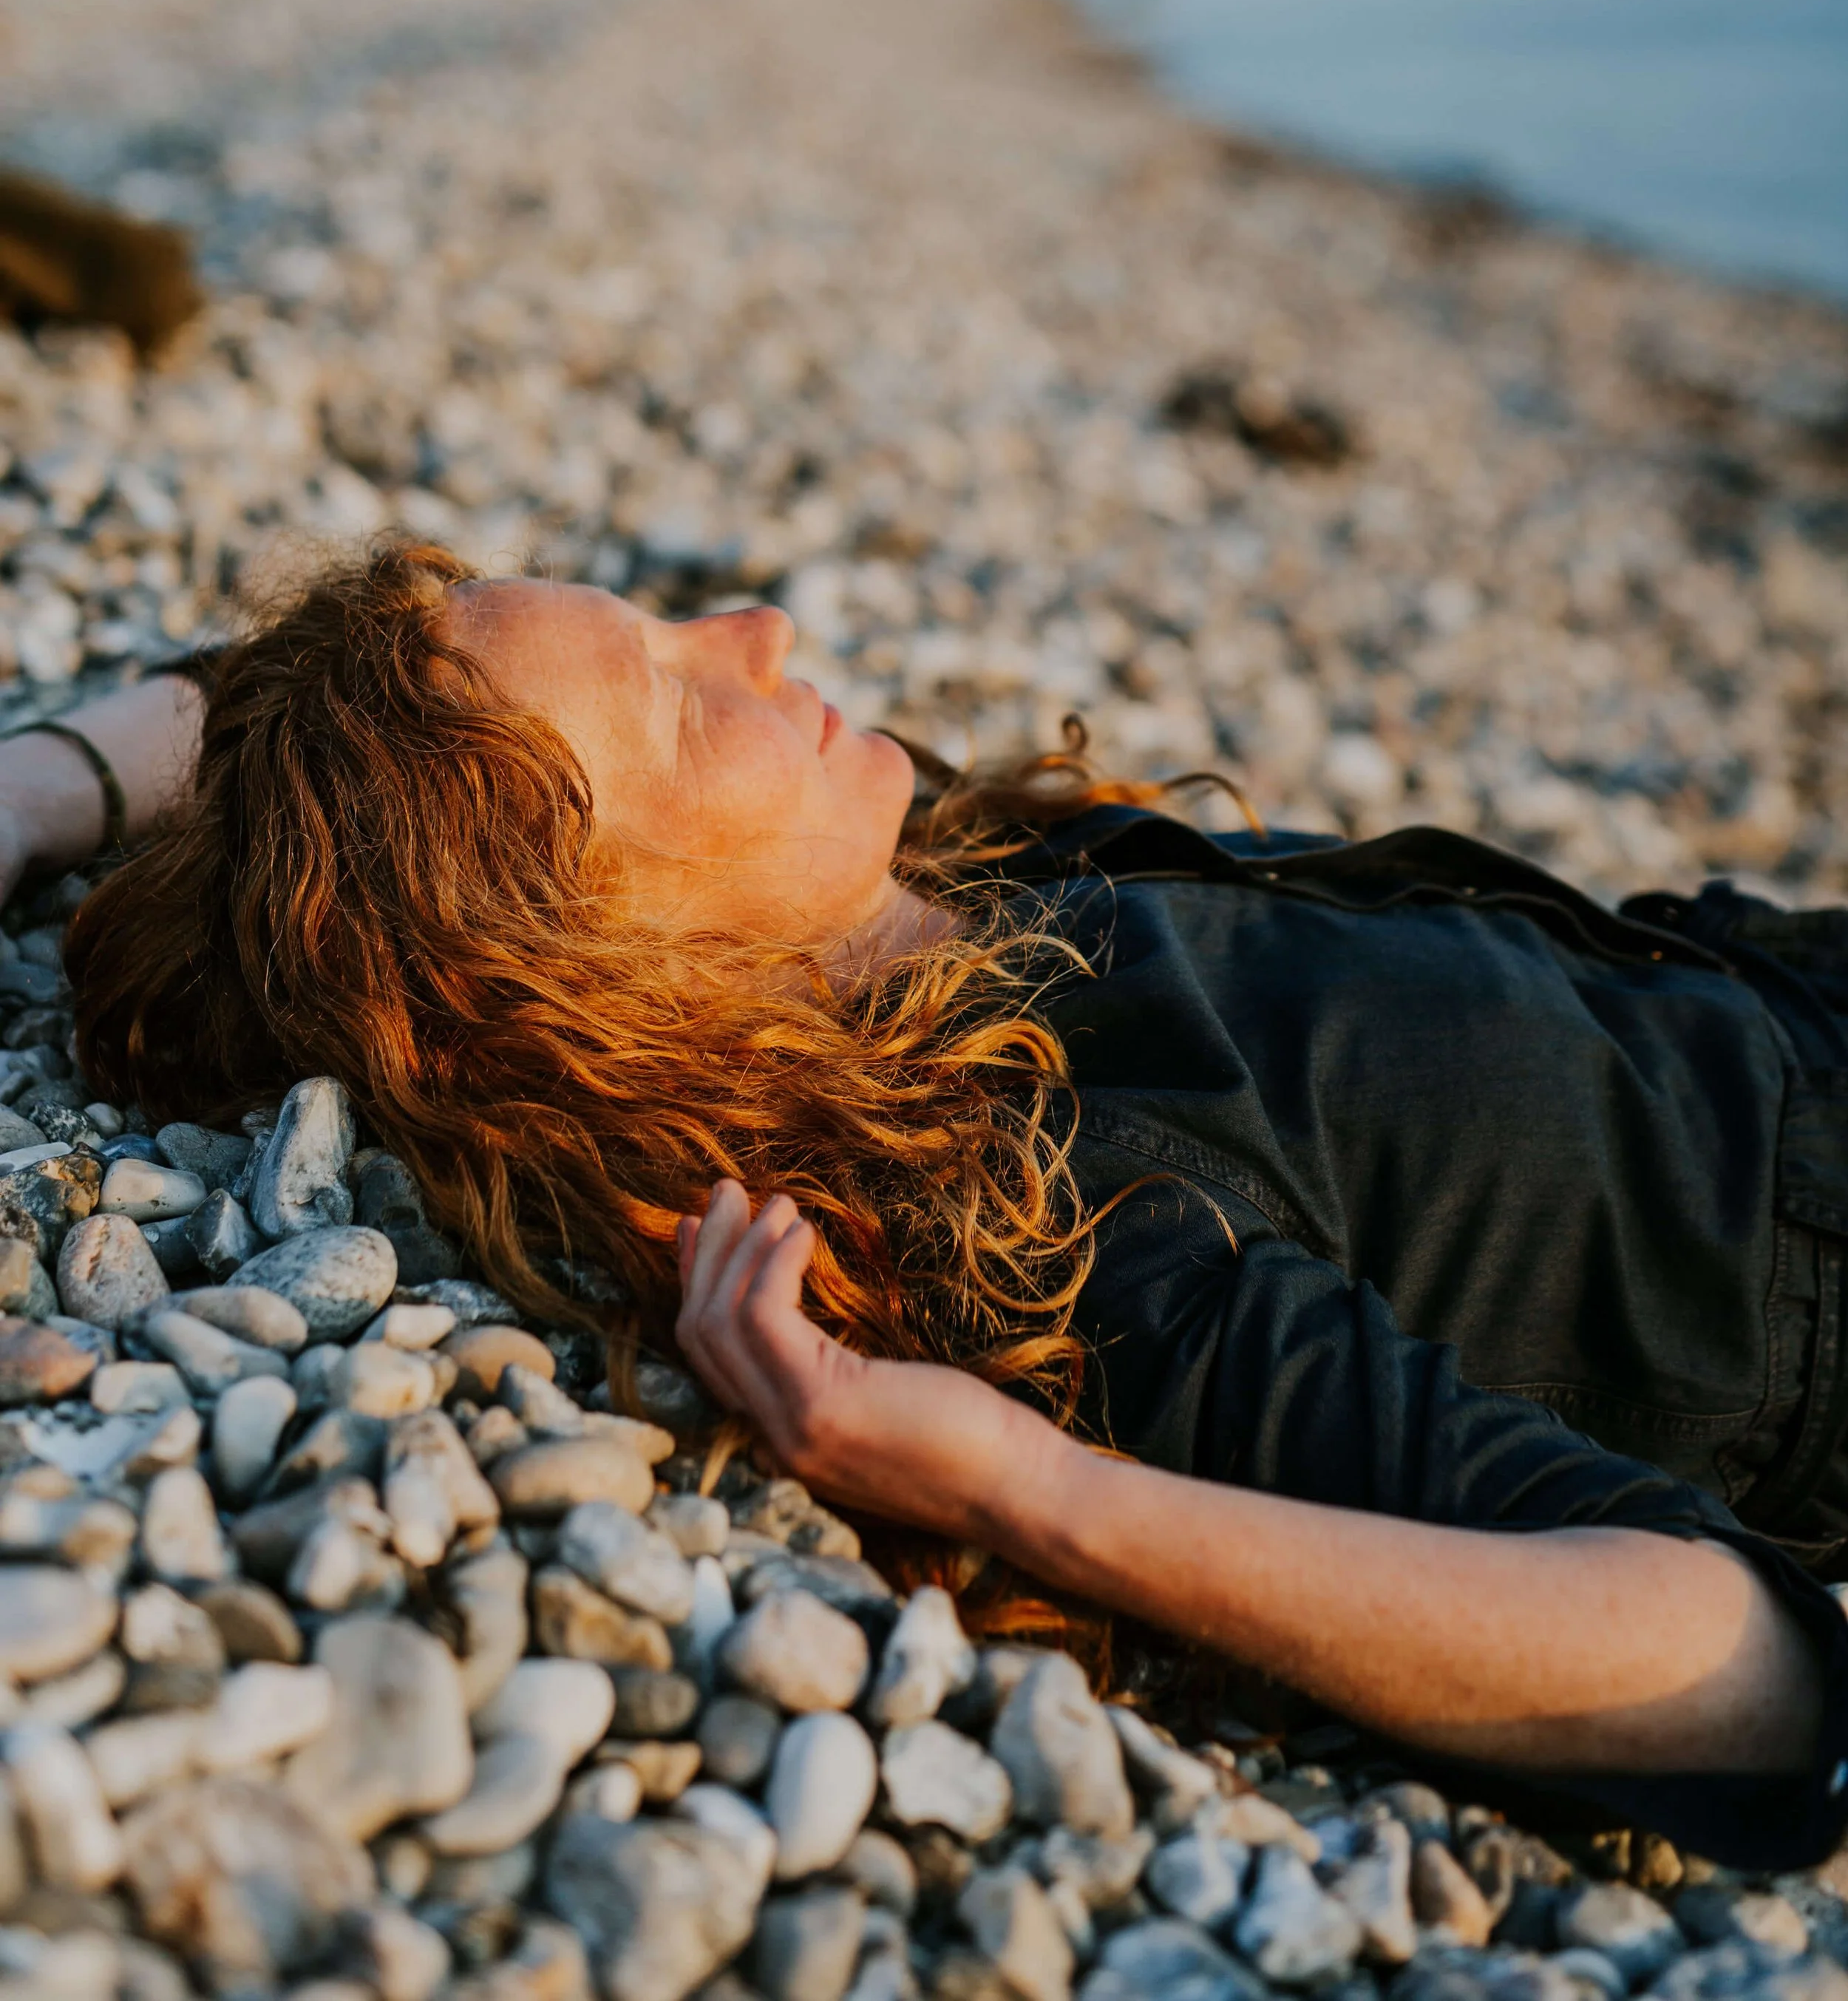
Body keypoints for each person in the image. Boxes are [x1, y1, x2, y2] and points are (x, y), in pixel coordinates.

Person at [6, 540, 1847, 1867]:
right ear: (601, 955)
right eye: (664, 690)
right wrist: (1024, 1490)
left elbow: (246, 719)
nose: (754, 625)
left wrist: (32, 790)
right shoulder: (1079, 1210)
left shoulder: (894, 889)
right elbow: (1748, 1679)